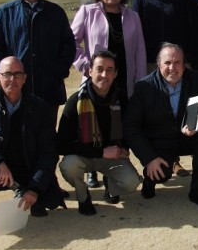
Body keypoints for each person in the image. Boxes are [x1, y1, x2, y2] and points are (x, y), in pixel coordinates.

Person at [0, 57, 65, 239]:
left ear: (24, 78)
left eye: (17, 74)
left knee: (41, 198)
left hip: (27, 168)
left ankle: (29, 193)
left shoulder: (40, 108)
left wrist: (35, 188)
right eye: (7, 74)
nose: (12, 79)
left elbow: (48, 153)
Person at [70, 0, 146, 188]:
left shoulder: (132, 16)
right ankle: (91, 169)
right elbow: (71, 42)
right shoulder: (87, 12)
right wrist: (85, 66)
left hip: (124, 81)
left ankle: (118, 165)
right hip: (97, 80)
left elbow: (140, 50)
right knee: (93, 123)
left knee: (120, 125)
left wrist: (139, 80)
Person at [132, 0, 198, 177]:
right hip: (154, 63)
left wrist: (188, 58)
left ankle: (178, 159)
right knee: (160, 111)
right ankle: (158, 156)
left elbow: (194, 27)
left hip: (179, 61)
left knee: (183, 108)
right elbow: (136, 29)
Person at [123, 43, 198, 210]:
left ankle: (197, 190)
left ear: (184, 64)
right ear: (158, 64)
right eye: (167, 63)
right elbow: (131, 127)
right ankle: (150, 179)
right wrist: (149, 158)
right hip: (161, 142)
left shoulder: (197, 79)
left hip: (189, 137)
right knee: (161, 174)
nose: (172, 68)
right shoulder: (144, 87)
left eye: (177, 62)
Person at [0, 0, 75, 127]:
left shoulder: (56, 12)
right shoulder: (5, 12)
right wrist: (4, 72)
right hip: (15, 88)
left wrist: (59, 71)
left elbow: (68, 45)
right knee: (16, 137)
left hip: (48, 88)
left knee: (46, 137)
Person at [57, 51, 141, 215]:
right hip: (84, 156)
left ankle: (110, 186)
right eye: (100, 69)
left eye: (110, 70)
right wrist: (100, 151)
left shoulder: (122, 98)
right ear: (90, 71)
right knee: (68, 165)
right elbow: (61, 144)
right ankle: (83, 196)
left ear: (115, 74)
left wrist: (123, 147)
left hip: (112, 157)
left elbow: (131, 128)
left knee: (131, 183)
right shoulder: (75, 102)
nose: (104, 74)